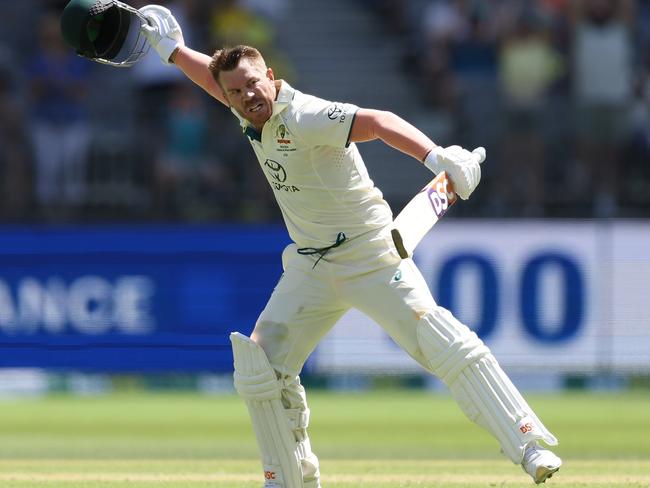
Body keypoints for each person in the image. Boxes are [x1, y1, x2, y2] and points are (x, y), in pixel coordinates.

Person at [105, 4, 563, 486]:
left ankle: (528, 443)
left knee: (441, 342)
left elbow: (380, 121)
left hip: (371, 255)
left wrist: (437, 156)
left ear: (272, 77)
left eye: (253, 85)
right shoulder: (246, 110)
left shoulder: (305, 115)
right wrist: (173, 51)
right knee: (261, 366)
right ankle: (290, 477)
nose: (247, 96)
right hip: (310, 265)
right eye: (236, 92)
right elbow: (216, 80)